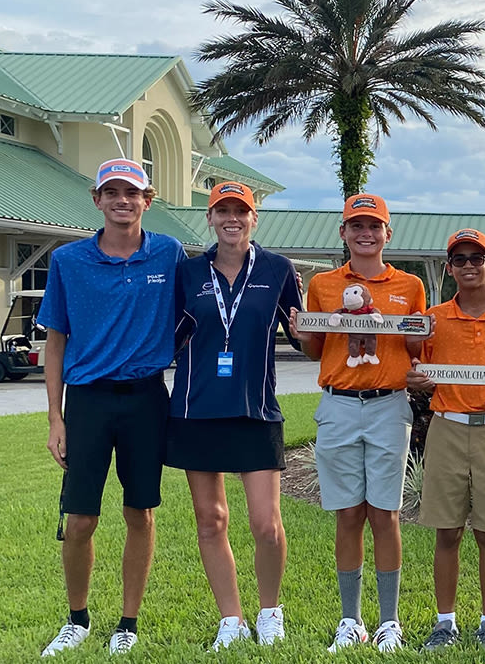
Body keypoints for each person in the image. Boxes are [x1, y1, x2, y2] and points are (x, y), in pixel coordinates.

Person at [38, 158, 186, 656]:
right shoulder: (68, 261)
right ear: (97, 200)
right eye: (113, 193)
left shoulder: (168, 254)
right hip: (88, 402)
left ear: (148, 201)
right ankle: (77, 619)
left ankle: (128, 622)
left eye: (133, 193)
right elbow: (54, 344)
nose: (123, 201)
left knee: (140, 513)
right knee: (80, 519)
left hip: (147, 399)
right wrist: (56, 419)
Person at [167, 182, 302, 649]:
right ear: (210, 218)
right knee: (211, 520)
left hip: (256, 409)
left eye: (240, 211)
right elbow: (167, 336)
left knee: (266, 523)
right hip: (195, 409)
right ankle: (231, 619)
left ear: (253, 218)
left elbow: (305, 336)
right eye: (222, 211)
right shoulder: (186, 272)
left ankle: (269, 611)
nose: (232, 218)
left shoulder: (278, 269)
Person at [293, 193, 426, 653]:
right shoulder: (323, 285)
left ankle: (389, 621)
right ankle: (350, 621)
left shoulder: (409, 286)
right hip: (339, 404)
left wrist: (417, 349)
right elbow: (316, 350)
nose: (365, 233)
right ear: (343, 232)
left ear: (388, 233)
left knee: (385, 514)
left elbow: (415, 350)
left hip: (389, 404)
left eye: (374, 226)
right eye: (356, 225)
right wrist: (303, 335)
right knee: (348, 514)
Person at [405, 229, 485, 648]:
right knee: (447, 531)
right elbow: (414, 369)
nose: (467, 266)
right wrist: (417, 382)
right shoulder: (434, 317)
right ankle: (445, 622)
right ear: (449, 268)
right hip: (446, 426)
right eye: (459, 259)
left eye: (475, 258)